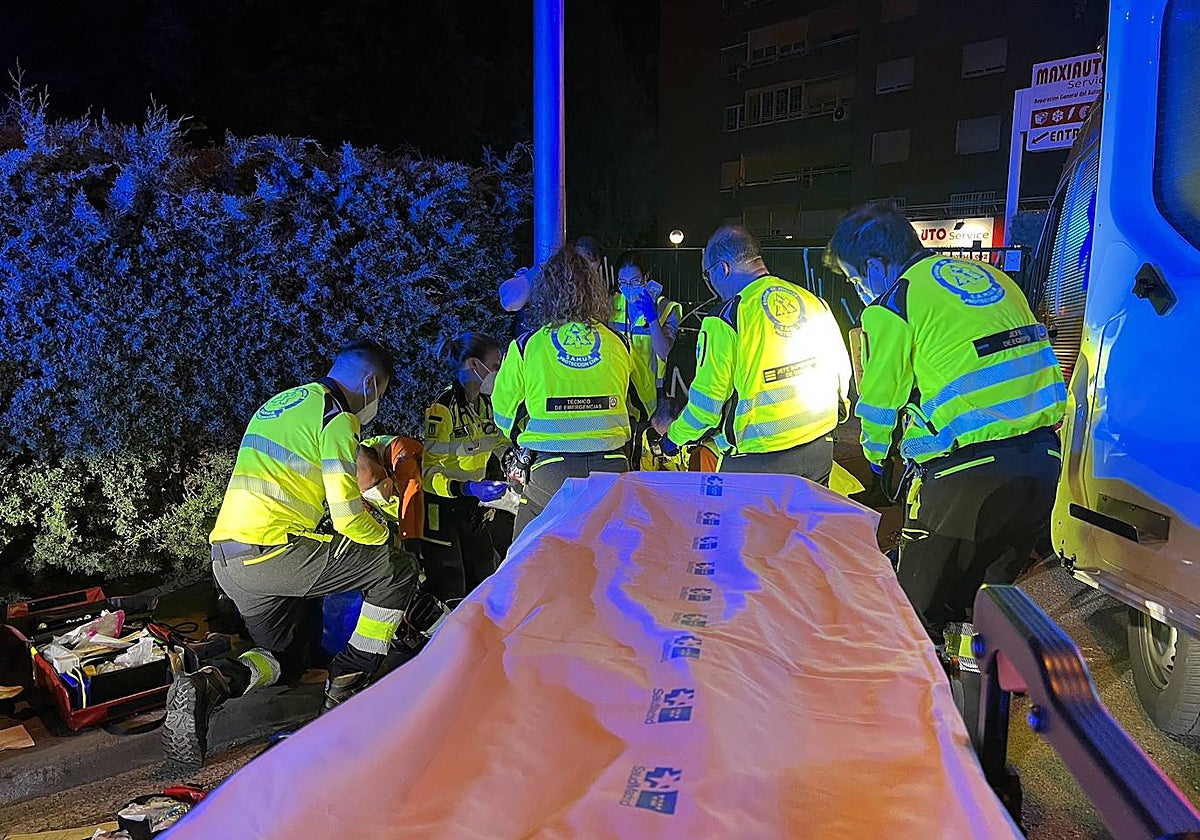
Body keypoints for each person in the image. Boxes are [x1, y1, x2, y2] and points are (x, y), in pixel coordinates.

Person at [824, 202, 1066, 736]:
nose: (860, 291)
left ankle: (911, 742)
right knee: (983, 615)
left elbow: (880, 405)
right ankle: (979, 736)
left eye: (855, 278)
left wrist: (878, 460)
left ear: (880, 267)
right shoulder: (993, 278)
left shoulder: (895, 302)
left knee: (908, 613)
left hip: (965, 479)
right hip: (1042, 467)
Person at [162, 340, 418, 768]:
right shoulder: (337, 417)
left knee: (285, 659)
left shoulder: (280, 403)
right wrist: (384, 535)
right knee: (394, 569)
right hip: (275, 552)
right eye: (382, 392)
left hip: (228, 560)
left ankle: (209, 683)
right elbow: (348, 518)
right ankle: (347, 690)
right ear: (372, 383)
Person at [658, 225, 852, 483]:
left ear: (722, 269)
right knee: (806, 524)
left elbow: (706, 407)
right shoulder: (812, 301)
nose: (710, 284)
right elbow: (841, 373)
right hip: (819, 448)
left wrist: (673, 439)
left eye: (708, 275)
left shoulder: (726, 319)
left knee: (741, 524)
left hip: (758, 460)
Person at [493, 244, 656, 538]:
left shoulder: (527, 346)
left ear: (546, 293)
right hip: (611, 469)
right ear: (595, 290)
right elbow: (645, 404)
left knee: (529, 563)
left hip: (551, 474)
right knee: (608, 564)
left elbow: (503, 416)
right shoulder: (619, 343)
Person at [420, 332, 510, 602]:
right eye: (495, 366)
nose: (498, 373)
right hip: (443, 510)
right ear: (473, 365)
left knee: (484, 580)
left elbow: (499, 442)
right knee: (451, 589)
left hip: (474, 507)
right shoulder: (441, 409)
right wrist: (467, 487)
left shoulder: (484, 405)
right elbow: (427, 474)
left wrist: (512, 461)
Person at [611, 250, 681, 395]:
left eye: (635, 281)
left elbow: (663, 351)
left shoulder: (665, 308)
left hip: (654, 391)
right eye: (623, 282)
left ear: (646, 277)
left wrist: (652, 318)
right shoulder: (611, 305)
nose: (628, 287)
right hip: (621, 387)